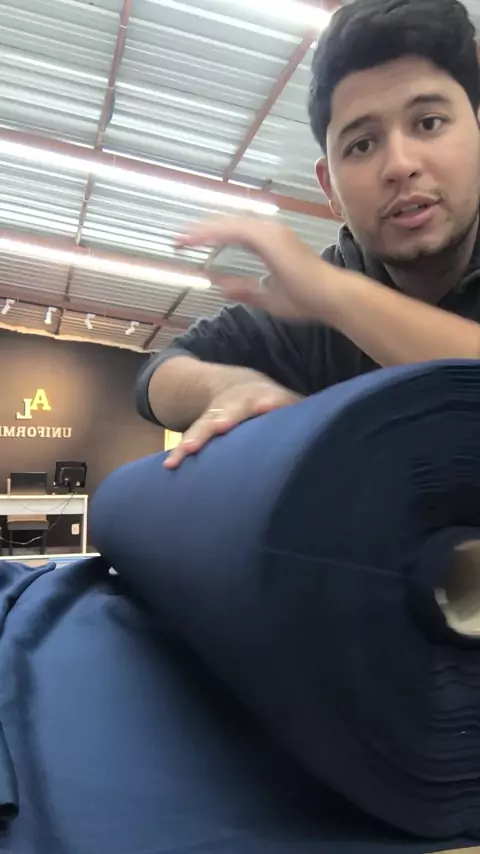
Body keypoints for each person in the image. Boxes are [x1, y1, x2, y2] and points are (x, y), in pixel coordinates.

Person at [136, 0, 480, 468]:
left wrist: (335, 297)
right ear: (329, 188)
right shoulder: (310, 302)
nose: (400, 165)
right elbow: (159, 373)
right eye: (362, 144)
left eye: (428, 123)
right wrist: (229, 386)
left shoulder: (320, 291)